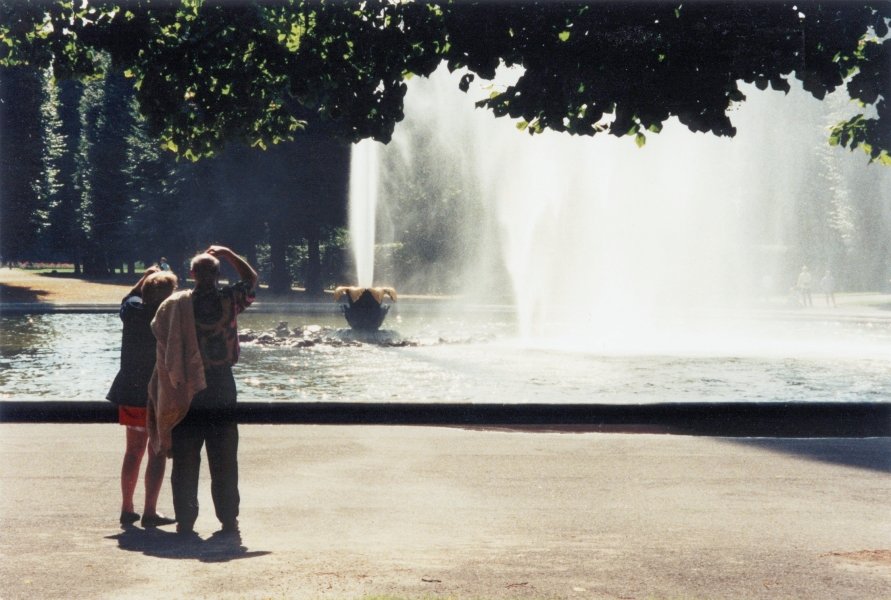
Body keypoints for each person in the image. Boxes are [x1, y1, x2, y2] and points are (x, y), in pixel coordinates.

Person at [151, 245, 257, 537]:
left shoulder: (177, 305)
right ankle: (228, 520)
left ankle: (186, 521)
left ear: (192, 274)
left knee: (185, 457)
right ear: (218, 273)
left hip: (188, 385)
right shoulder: (230, 300)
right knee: (224, 456)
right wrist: (230, 254)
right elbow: (251, 281)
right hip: (221, 384)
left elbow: (159, 335)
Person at [107, 267, 179, 528]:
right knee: (157, 452)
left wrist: (145, 277)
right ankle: (150, 511)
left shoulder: (132, 313)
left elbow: (128, 297)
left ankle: (127, 508)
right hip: (159, 393)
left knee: (133, 451)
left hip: (131, 391)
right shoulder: (171, 318)